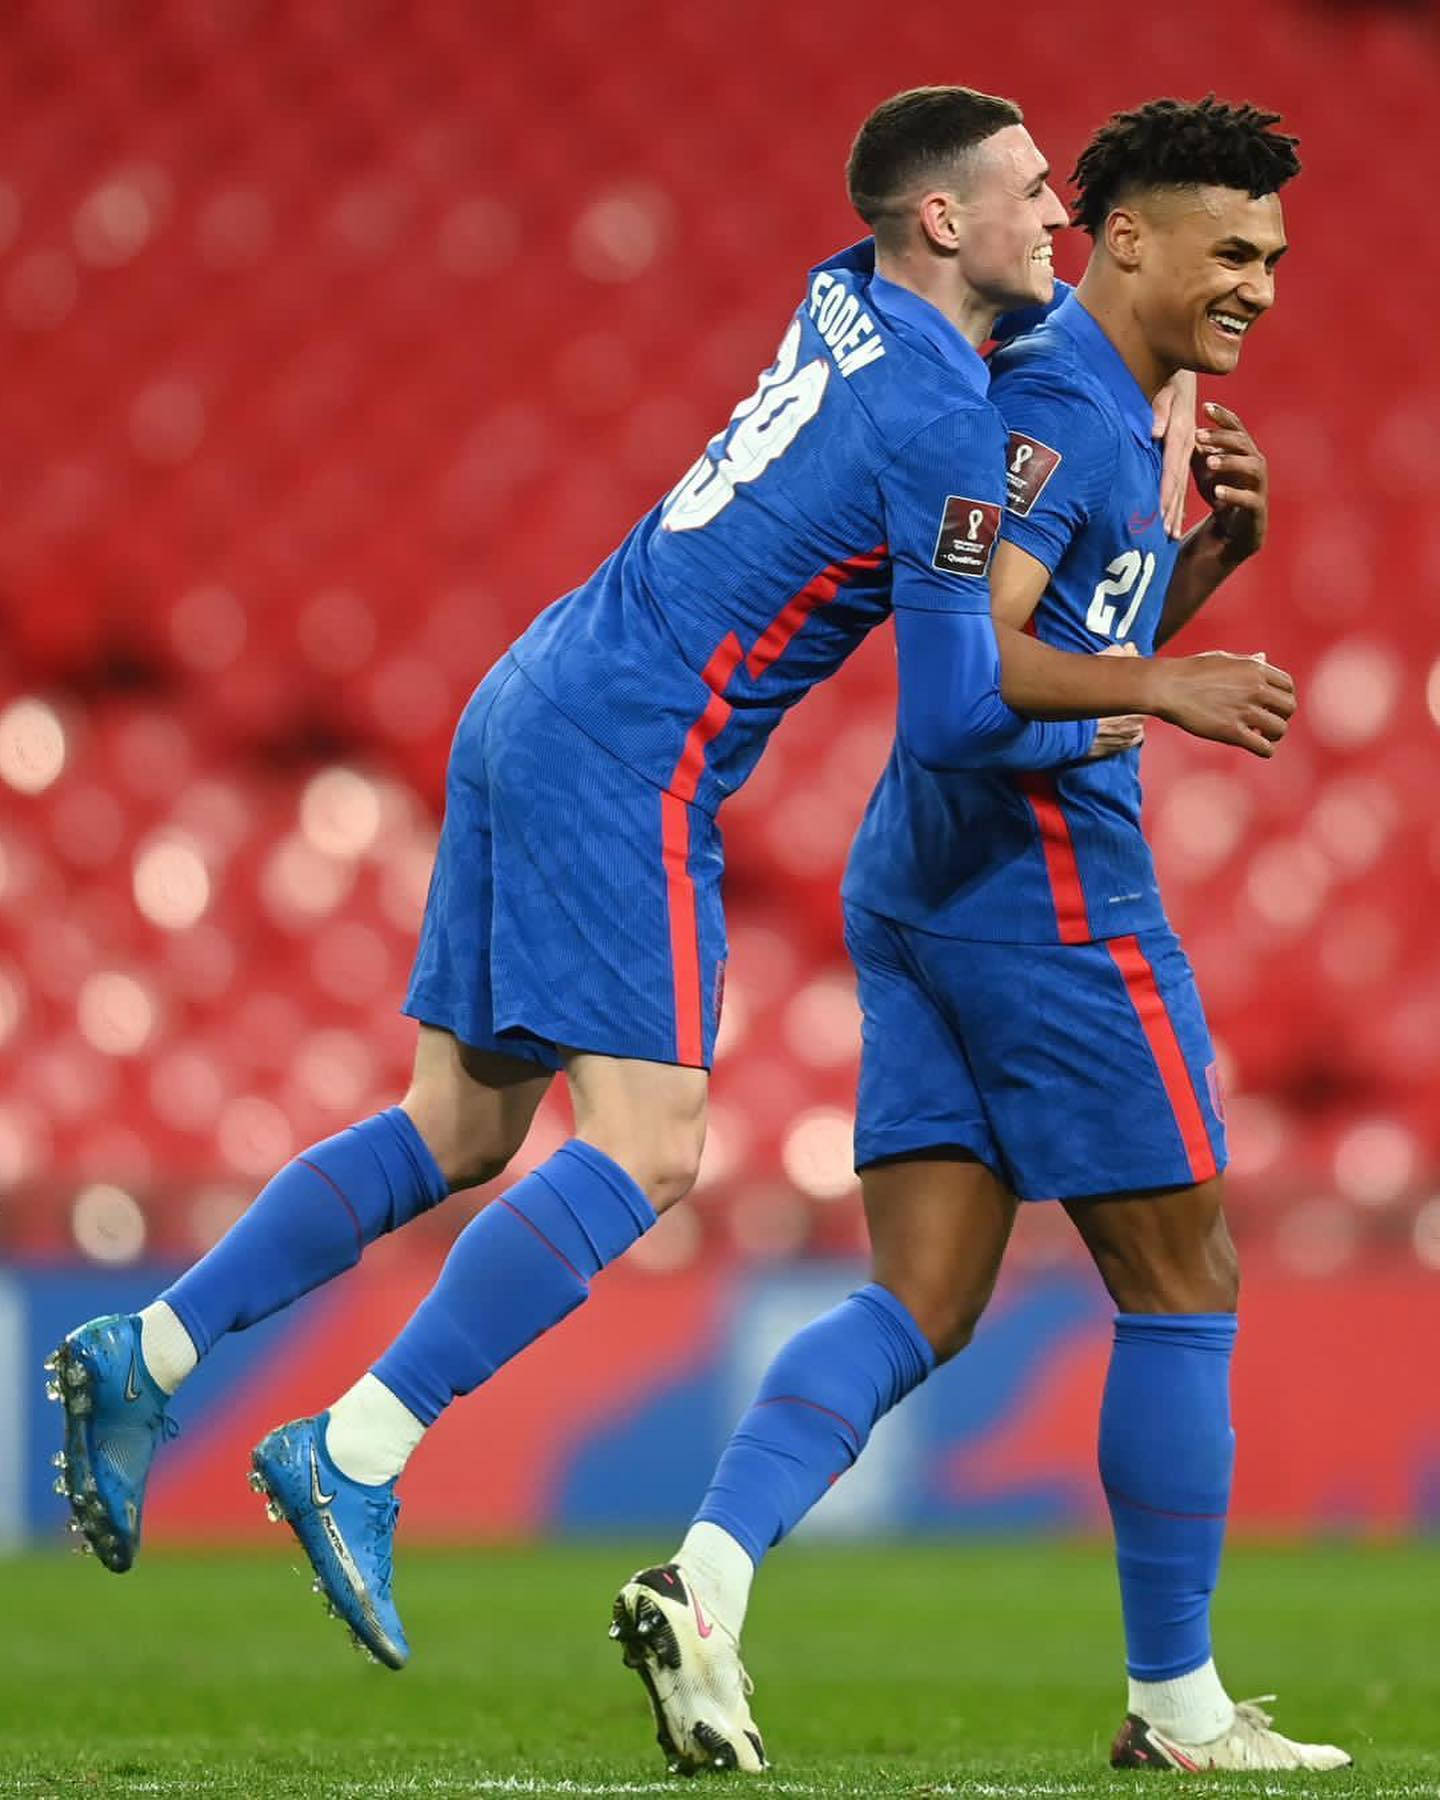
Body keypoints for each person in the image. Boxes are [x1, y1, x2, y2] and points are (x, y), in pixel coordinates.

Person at [46, 87, 1294, 1685]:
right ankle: (356, 1451)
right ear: (941, 221)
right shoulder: (950, 429)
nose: (1053, 217)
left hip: (533, 688)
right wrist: (1166, 686)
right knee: (646, 1152)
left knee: (462, 1126)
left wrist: (1165, 567)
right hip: (635, 749)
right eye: (1031, 195)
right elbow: (956, 712)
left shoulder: (842, 303)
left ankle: (145, 1350)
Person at [613, 96, 1349, 1777]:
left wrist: (1202, 571)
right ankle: (1177, 1708)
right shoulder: (1064, 414)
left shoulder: (1119, 412)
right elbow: (987, 675)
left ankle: (707, 1579)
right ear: (1131, 239)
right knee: (1185, 1283)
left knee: (924, 1295)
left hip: (921, 884)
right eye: (1230, 252)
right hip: (1051, 894)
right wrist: (1168, 683)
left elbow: (1058, 633)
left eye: (1279, 259)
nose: (1260, 287)